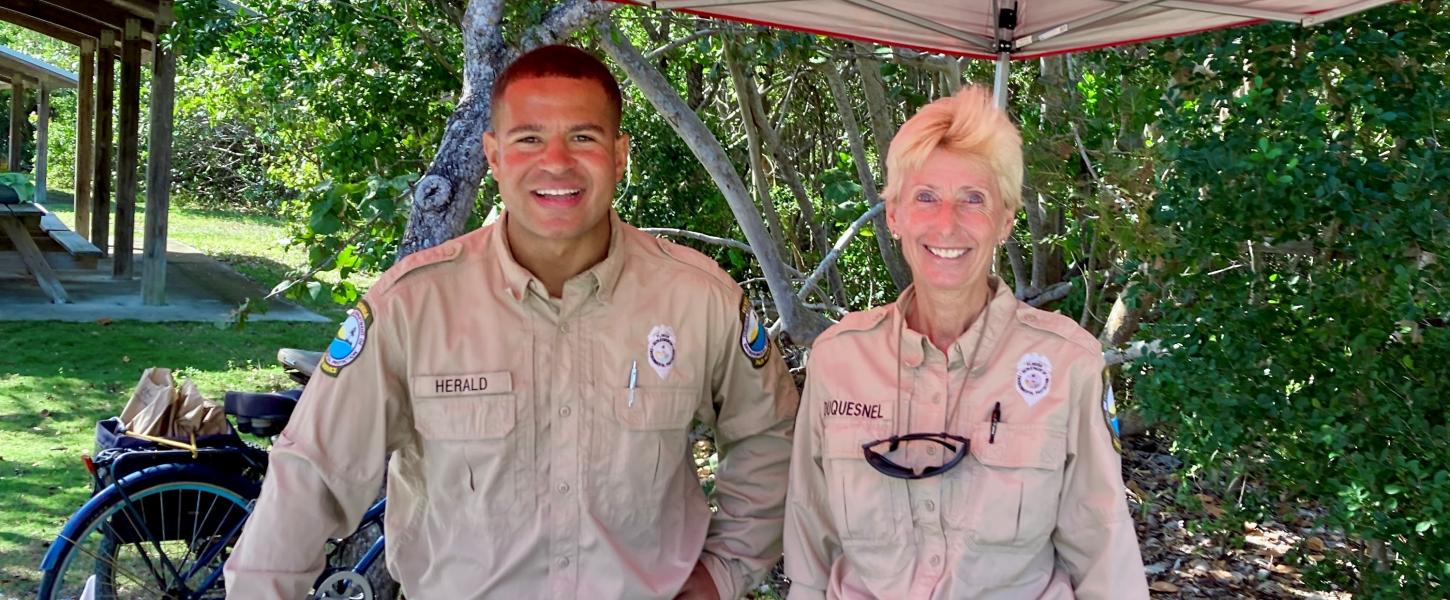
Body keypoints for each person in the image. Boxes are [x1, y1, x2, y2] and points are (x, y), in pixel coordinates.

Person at [224, 44, 799, 600]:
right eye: (529, 139)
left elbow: (770, 437)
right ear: (493, 155)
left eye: (583, 137)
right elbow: (311, 476)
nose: (556, 161)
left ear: (620, 155)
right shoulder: (414, 305)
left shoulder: (698, 298)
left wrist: (722, 572)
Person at [782, 86, 1148, 599]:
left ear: (1005, 219)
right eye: (925, 196)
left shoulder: (1067, 363)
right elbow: (809, 545)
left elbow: (1106, 561)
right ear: (894, 215)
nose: (947, 222)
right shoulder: (839, 358)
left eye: (973, 198)